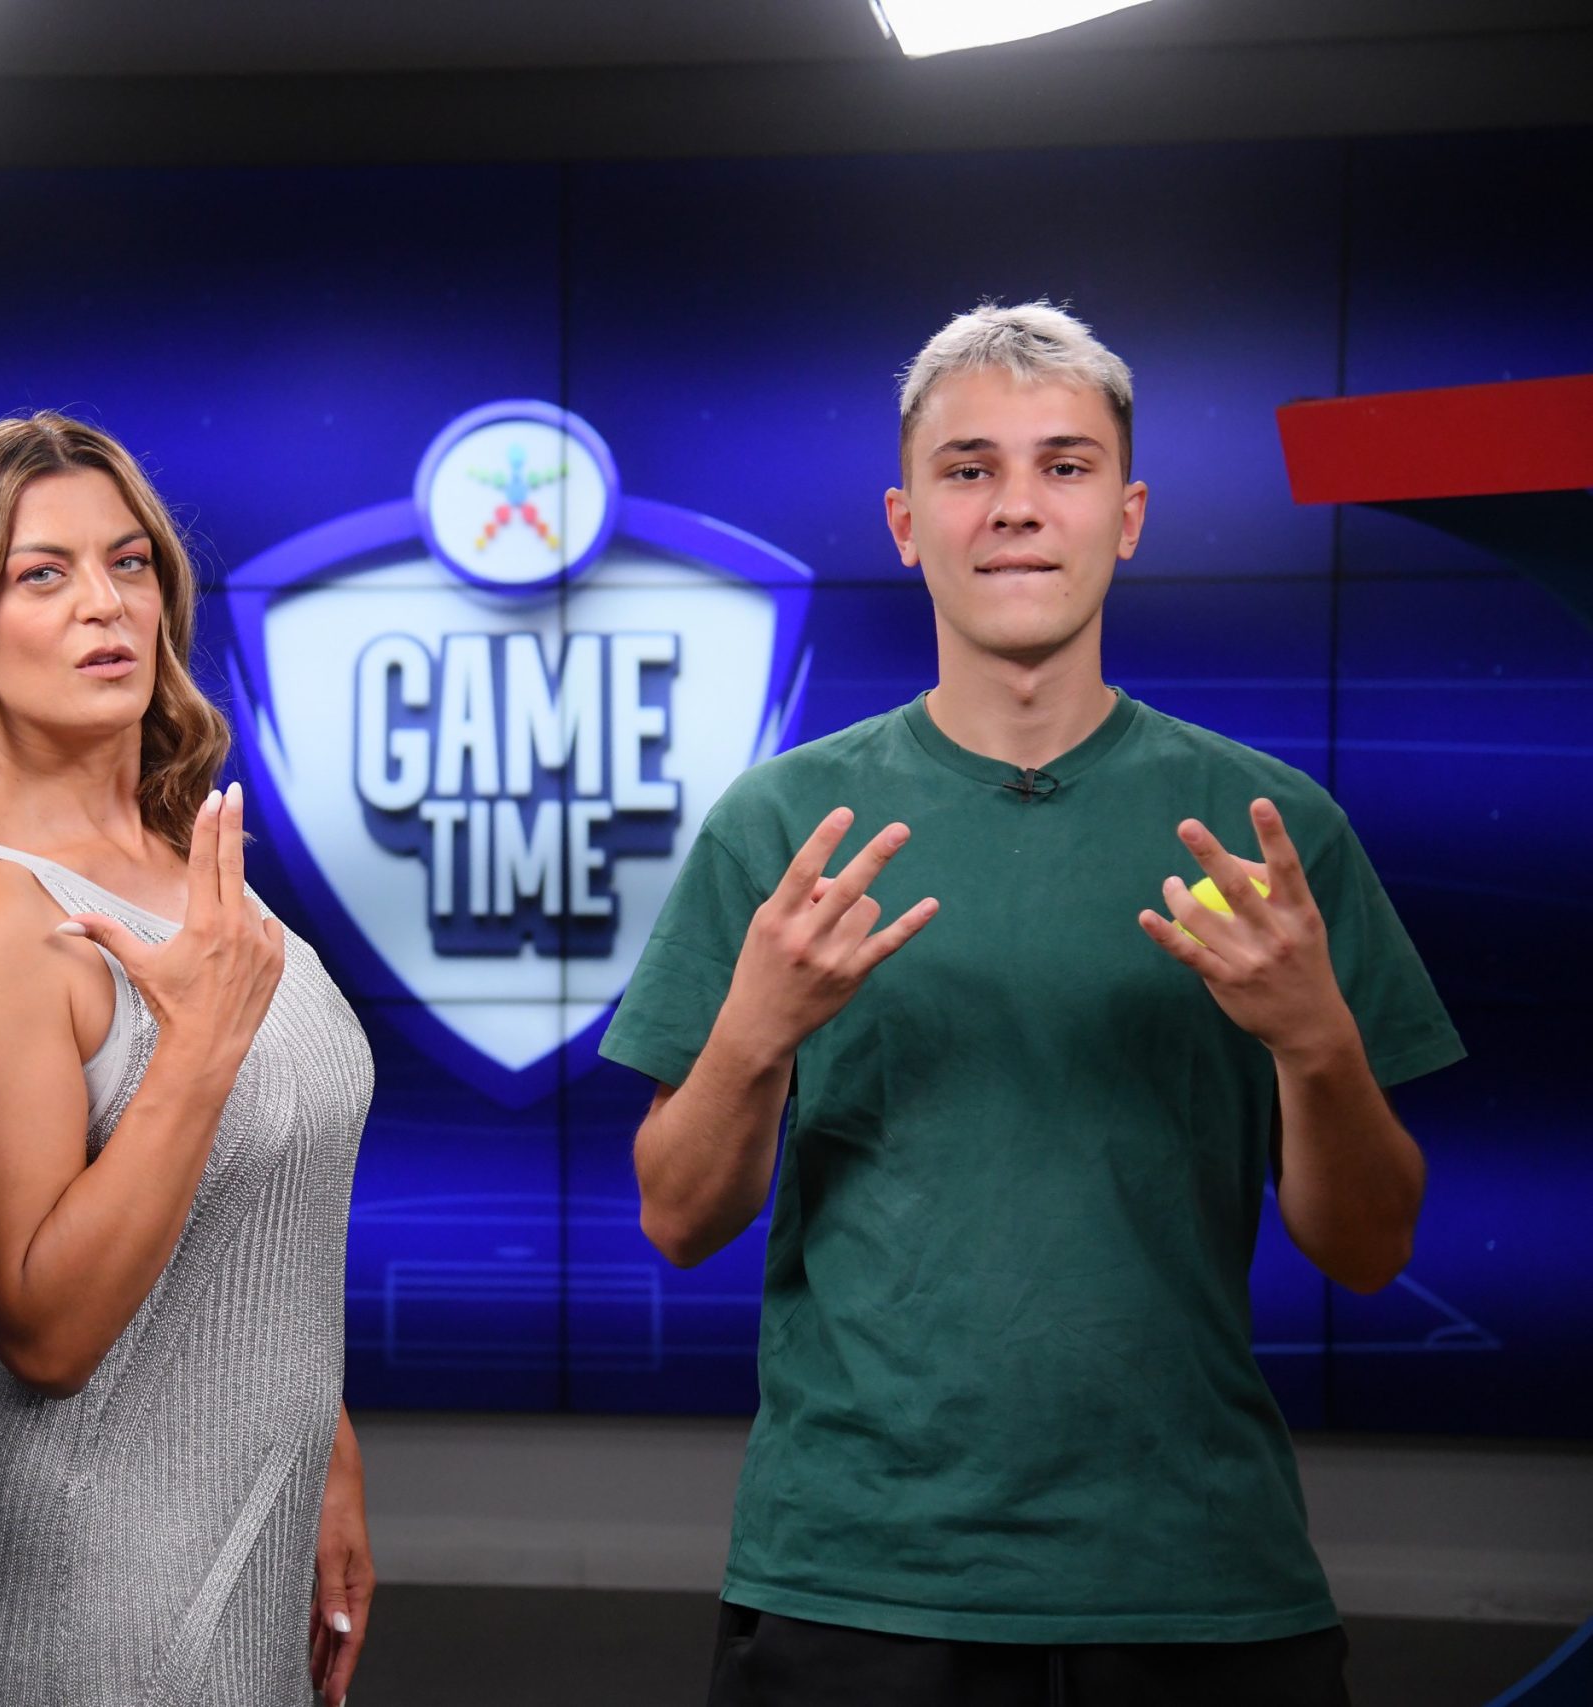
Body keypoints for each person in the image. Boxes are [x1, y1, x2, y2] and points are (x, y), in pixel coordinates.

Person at [603, 302, 1464, 1707]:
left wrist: (1316, 1045)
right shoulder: (781, 827)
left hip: (1199, 1585)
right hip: (859, 1584)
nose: (1016, 507)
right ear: (904, 523)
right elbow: (679, 1219)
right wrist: (756, 1032)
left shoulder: (1270, 834)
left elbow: (1370, 1250)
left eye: (1065, 467)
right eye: (969, 469)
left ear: (1128, 517)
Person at [0, 412, 375, 1707]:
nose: (106, 604)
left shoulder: (181, 850)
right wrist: (196, 1051)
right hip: (91, 1583)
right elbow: (46, 1330)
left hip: (251, 1535)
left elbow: (260, 1212)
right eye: (43, 574)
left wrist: (326, 1454)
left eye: (129, 562)